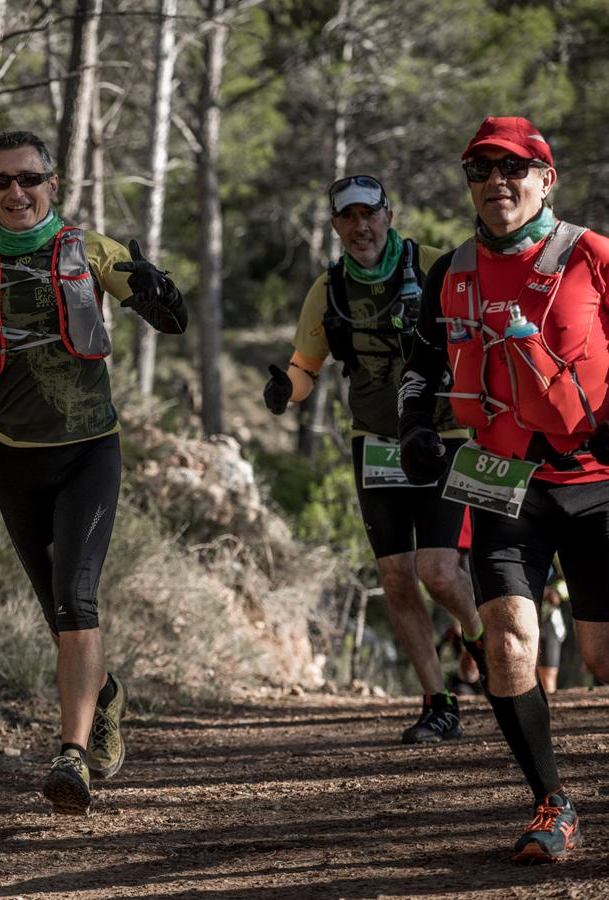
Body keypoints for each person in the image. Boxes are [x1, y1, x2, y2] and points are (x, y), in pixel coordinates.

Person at [0, 130, 186, 815]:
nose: (15, 193)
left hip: (90, 453)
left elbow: (171, 318)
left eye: (27, 178)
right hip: (13, 459)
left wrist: (155, 289)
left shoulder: (88, 251)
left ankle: (72, 757)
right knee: (58, 618)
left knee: (76, 603)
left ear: (51, 183)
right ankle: (106, 693)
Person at [398, 115, 609, 862]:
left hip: (595, 481)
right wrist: (417, 425)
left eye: (513, 169)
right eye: (480, 171)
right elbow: (422, 364)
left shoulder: (591, 255)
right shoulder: (449, 270)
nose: (496, 183)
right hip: (501, 482)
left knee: (602, 654)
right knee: (510, 646)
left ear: (546, 179)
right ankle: (552, 804)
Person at [263, 174, 484, 743]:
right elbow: (305, 367)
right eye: (348, 218)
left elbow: (481, 331)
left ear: (389, 214)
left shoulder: (439, 265)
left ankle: (484, 638)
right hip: (374, 440)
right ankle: (439, 702)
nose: (361, 228)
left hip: (444, 434)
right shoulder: (328, 288)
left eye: (370, 215)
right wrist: (286, 390)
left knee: (438, 569)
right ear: (336, 226)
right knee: (396, 576)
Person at [537, 567, 568, 695]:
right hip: (529, 621)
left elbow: (562, 592)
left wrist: (556, 592)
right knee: (533, 674)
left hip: (551, 622)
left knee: (549, 673)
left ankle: (551, 710)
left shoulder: (556, 566)